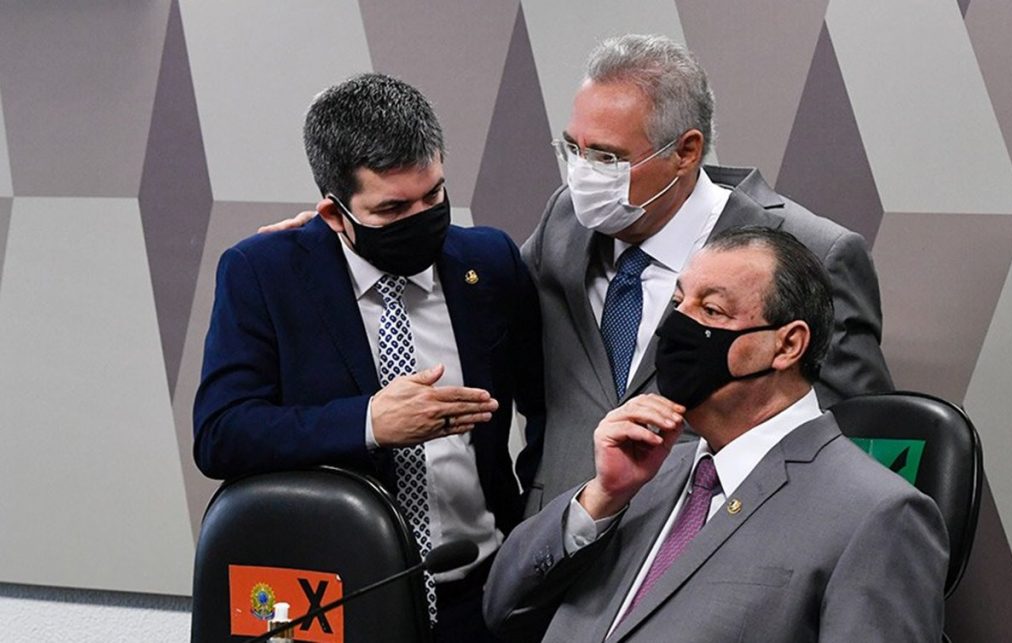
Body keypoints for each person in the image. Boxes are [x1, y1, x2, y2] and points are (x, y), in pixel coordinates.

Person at [258, 34, 894, 514]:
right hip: (558, 556)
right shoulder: (566, 219)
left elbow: (862, 442)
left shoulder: (813, 252)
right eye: (573, 148)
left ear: (686, 152)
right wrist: (336, 241)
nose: (582, 174)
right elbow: (472, 286)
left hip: (706, 562)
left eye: (608, 157)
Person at [193, 73, 545, 642]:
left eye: (433, 196)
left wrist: (535, 526)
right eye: (392, 208)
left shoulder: (490, 262)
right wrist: (369, 423)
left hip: (483, 595)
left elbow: (548, 405)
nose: (421, 218)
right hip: (339, 603)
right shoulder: (264, 274)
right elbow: (221, 433)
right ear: (335, 214)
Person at [483, 227, 947, 643]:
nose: (674, 327)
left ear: (787, 344)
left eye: (711, 310)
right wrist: (602, 498)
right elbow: (502, 610)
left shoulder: (879, 515)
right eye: (678, 303)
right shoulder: (643, 474)